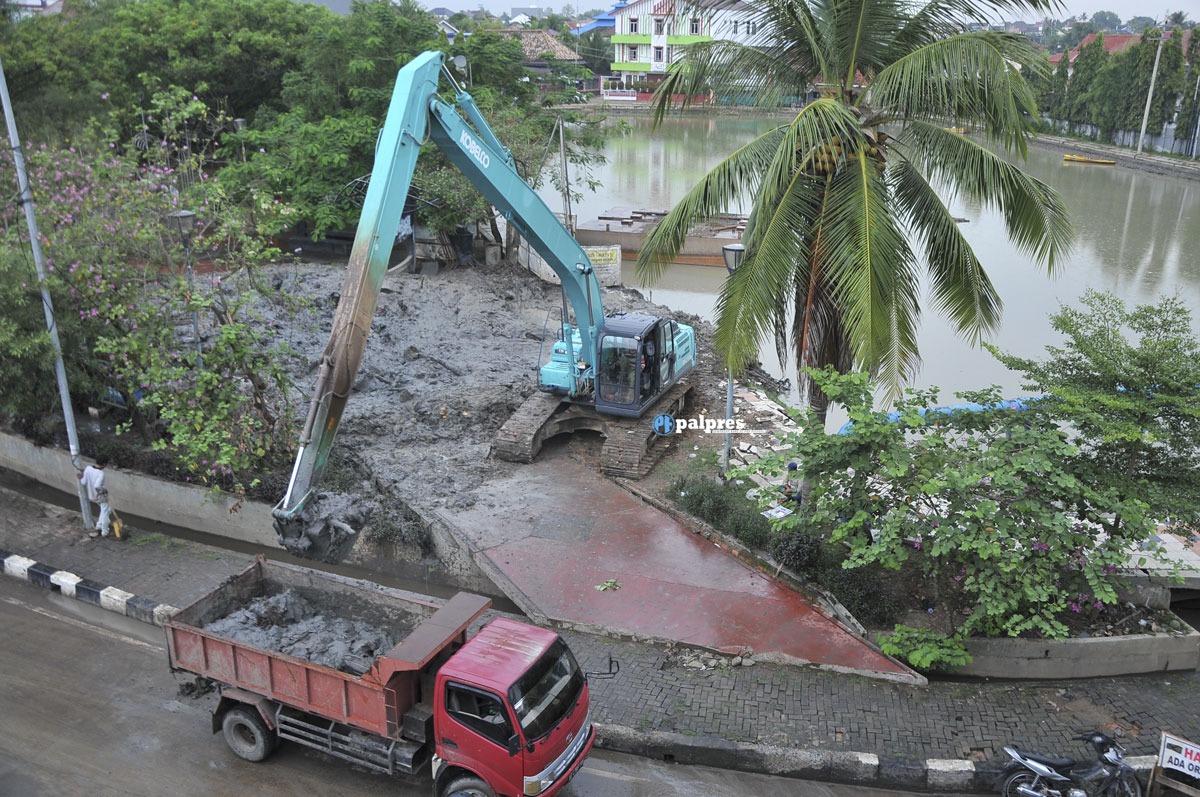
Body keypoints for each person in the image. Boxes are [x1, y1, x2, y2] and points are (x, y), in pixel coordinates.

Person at [80, 455, 112, 538]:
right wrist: (104, 491)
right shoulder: (101, 473)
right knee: (106, 511)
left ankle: (99, 526)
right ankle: (105, 531)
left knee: (104, 509)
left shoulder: (88, 468)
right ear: (104, 464)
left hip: (91, 495)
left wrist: (80, 477)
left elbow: (83, 482)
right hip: (100, 496)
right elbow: (97, 485)